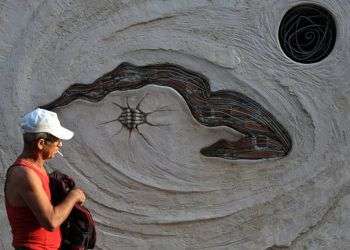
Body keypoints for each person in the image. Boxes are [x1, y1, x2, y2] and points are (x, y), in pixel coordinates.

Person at [4, 108, 86, 250]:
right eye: (56, 140)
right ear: (41, 143)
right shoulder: (23, 174)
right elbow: (51, 221)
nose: (60, 144)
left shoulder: (37, 169)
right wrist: (74, 196)